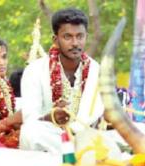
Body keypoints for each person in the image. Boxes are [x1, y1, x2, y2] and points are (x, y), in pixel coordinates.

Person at [20, 8, 104, 154]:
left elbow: (97, 114)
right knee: (30, 132)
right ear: (56, 40)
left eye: (80, 36)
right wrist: (51, 116)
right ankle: (79, 154)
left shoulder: (97, 70)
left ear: (86, 37)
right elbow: (30, 118)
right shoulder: (35, 70)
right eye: (68, 37)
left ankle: (80, 152)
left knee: (142, 130)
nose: (75, 43)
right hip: (52, 136)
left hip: (89, 136)